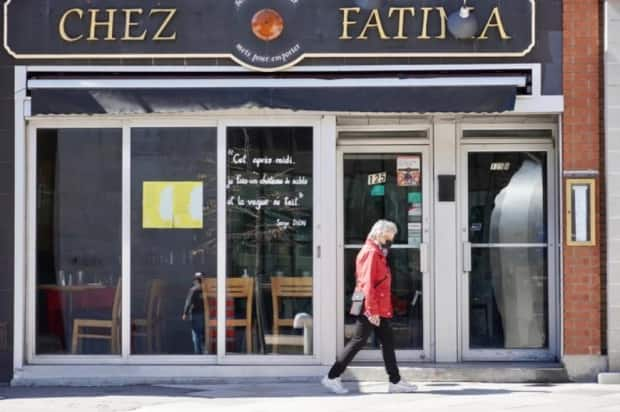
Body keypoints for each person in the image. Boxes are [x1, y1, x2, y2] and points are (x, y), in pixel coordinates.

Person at [321, 220, 418, 394]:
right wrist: (372, 311)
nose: (392, 239)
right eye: (390, 236)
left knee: (387, 342)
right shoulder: (371, 253)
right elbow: (367, 284)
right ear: (381, 234)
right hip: (372, 306)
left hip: (378, 305)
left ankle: (395, 381)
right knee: (358, 341)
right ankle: (331, 377)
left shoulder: (377, 252)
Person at [182, 272, 206, 354]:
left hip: (196, 314)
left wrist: (185, 313)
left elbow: (188, 302)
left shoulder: (193, 290)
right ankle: (204, 353)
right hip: (204, 315)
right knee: (202, 335)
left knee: (196, 336)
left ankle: (198, 355)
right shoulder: (205, 290)